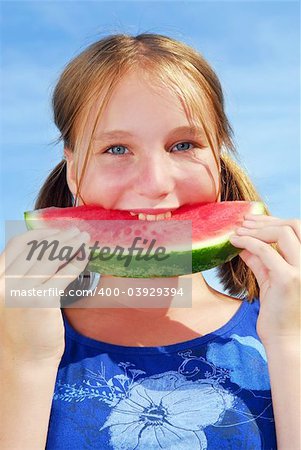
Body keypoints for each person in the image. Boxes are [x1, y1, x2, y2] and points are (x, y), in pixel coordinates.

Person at [1, 33, 300, 450]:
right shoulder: (12, 334)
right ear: (72, 170)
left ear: (219, 155)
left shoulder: (280, 327)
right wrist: (24, 359)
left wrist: (290, 342)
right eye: (117, 148)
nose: (156, 184)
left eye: (184, 145)